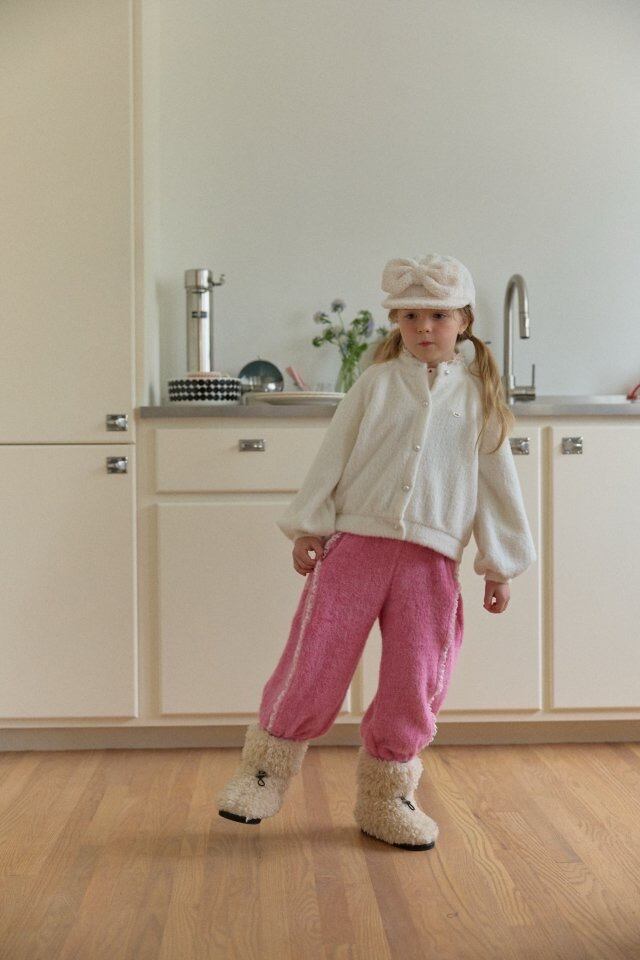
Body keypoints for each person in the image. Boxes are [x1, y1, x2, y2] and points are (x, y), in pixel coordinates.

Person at [217, 253, 537, 851]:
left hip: (431, 561)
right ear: (396, 321)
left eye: (437, 316)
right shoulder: (377, 384)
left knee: (416, 677)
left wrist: (501, 566)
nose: (423, 328)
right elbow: (333, 455)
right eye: (410, 316)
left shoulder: (479, 399)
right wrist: (309, 526)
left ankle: (387, 796)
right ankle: (264, 771)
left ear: (464, 320)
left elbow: (499, 487)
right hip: (355, 548)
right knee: (315, 658)